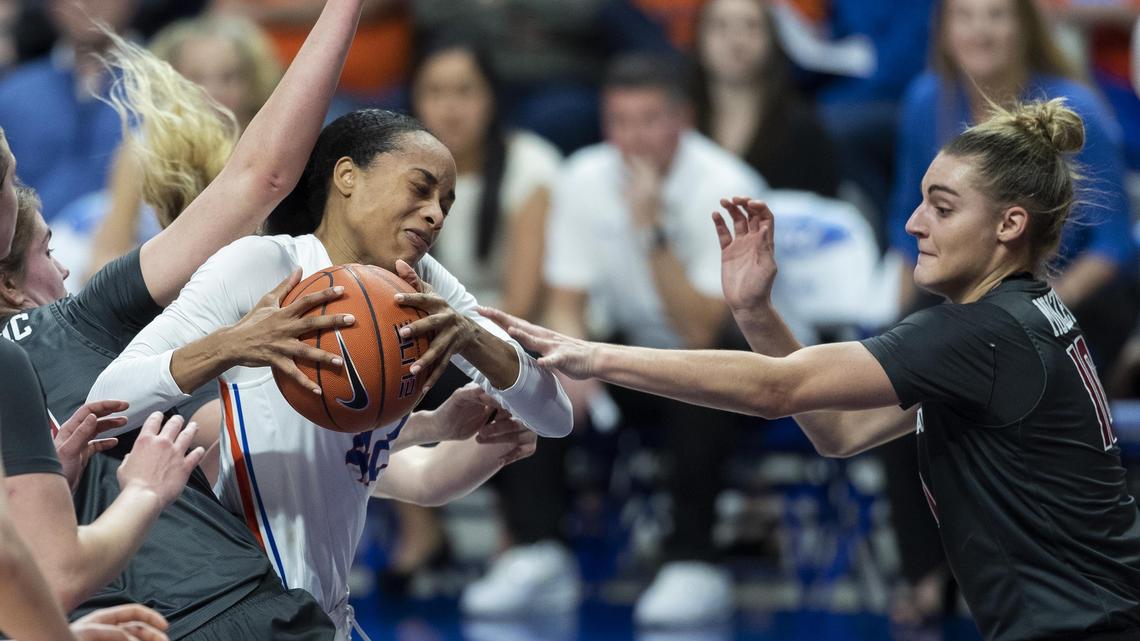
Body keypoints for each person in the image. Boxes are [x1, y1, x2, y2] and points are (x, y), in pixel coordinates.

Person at [482, 99, 1140, 641]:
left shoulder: (986, 331)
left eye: (941, 207)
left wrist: (594, 355)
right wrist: (757, 313)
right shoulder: (1021, 317)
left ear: (1010, 224)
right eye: (920, 202)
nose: (913, 223)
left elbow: (777, 390)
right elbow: (839, 432)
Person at [88, 107, 574, 637]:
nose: (435, 213)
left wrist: (471, 343)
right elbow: (105, 402)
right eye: (421, 188)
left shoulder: (423, 287)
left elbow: (554, 416)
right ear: (347, 176)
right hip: (235, 613)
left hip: (323, 616)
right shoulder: (263, 265)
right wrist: (230, 346)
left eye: (446, 204)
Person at [0, 1, 368, 636]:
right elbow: (259, 179)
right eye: (51, 251)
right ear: (10, 283)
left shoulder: (69, 341)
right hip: (223, 607)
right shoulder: (66, 325)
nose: (63, 269)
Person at [460, 53, 771, 628]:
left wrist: (652, 227)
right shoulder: (583, 177)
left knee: (697, 376)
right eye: (620, 121)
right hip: (627, 352)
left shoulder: (728, 185)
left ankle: (692, 562)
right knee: (535, 371)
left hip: (731, 362)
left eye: (649, 120)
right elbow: (565, 300)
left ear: (683, 119)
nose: (632, 138)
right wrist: (573, 362)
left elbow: (702, 327)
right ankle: (539, 551)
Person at [80, 13, 283, 280]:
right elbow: (107, 252)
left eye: (229, 77)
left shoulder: (275, 147)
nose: (214, 92)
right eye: (197, 78)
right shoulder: (143, 148)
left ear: (253, 83)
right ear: (170, 82)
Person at [692, 0, 839, 197]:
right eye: (721, 25)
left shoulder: (803, 128)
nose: (736, 40)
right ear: (699, 38)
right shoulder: (679, 123)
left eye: (751, 26)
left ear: (772, 39)